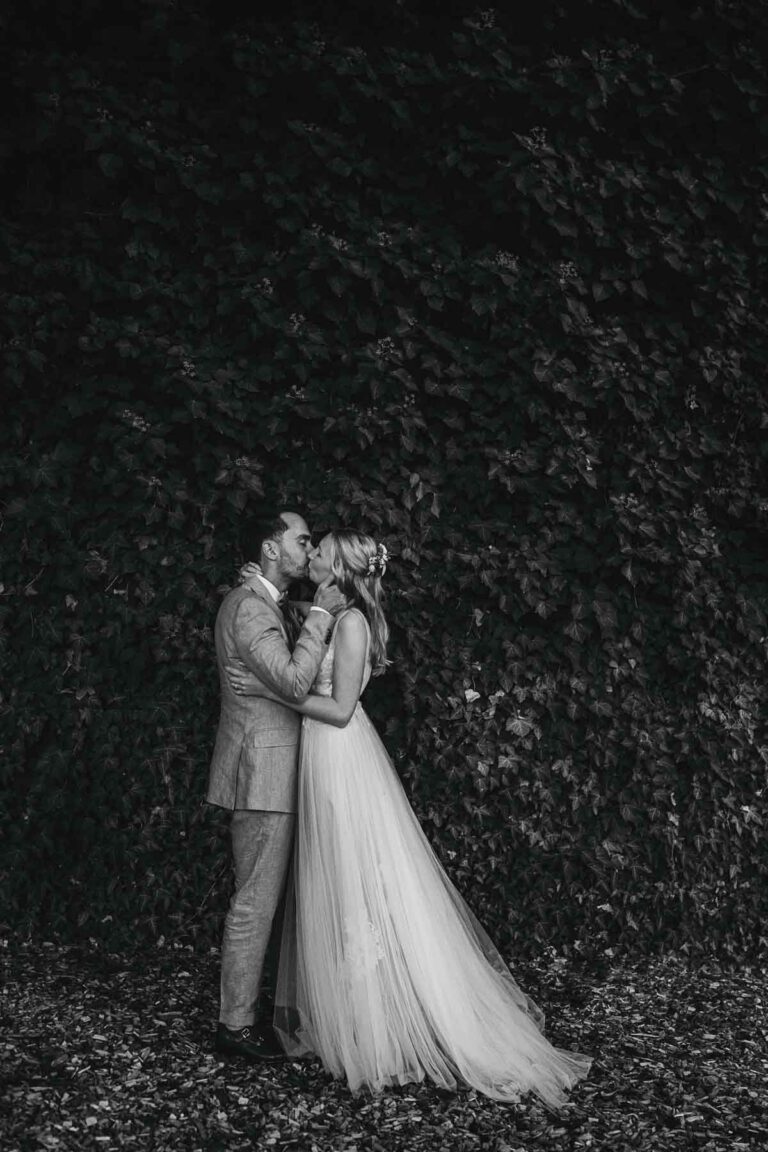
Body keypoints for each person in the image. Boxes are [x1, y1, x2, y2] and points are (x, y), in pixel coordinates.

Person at [226, 530, 592, 1105]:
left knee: (355, 888)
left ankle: (375, 1028)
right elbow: (293, 617)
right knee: (334, 885)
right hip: (318, 758)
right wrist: (257, 584)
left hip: (338, 756)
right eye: (310, 546)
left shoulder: (351, 623)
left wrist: (271, 694)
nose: (312, 554)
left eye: (320, 550)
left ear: (340, 567)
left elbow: (341, 710)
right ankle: (349, 1016)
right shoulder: (330, 610)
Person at [207, 509, 346, 1063]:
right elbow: (291, 680)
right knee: (255, 902)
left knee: (272, 899)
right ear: (271, 547)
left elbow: (283, 672)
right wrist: (321, 614)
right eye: (302, 540)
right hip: (262, 775)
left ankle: (259, 1014)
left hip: (279, 769)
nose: (308, 550)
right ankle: (235, 1025)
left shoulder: (264, 601)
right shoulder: (248, 607)